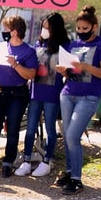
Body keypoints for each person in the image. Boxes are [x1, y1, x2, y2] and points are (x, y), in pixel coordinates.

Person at [55, 5, 101, 195]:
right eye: (78, 29)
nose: (81, 32)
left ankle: (77, 179)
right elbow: (69, 69)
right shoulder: (73, 45)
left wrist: (85, 66)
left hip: (88, 96)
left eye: (85, 29)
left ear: (94, 27)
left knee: (72, 136)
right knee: (68, 136)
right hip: (68, 93)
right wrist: (64, 70)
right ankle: (70, 172)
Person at [0, 15, 37, 178]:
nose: (3, 32)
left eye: (6, 29)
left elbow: (31, 75)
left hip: (17, 94)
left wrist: (15, 65)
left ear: (14, 32)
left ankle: (8, 163)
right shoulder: (0, 48)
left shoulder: (28, 51)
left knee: (12, 129)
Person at [15, 12, 70, 178]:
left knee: (50, 129)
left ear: (56, 28)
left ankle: (46, 161)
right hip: (35, 92)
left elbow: (69, 69)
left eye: (48, 26)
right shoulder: (38, 44)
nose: (44, 29)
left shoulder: (65, 45)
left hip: (53, 93)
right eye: (43, 26)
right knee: (30, 128)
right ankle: (26, 161)